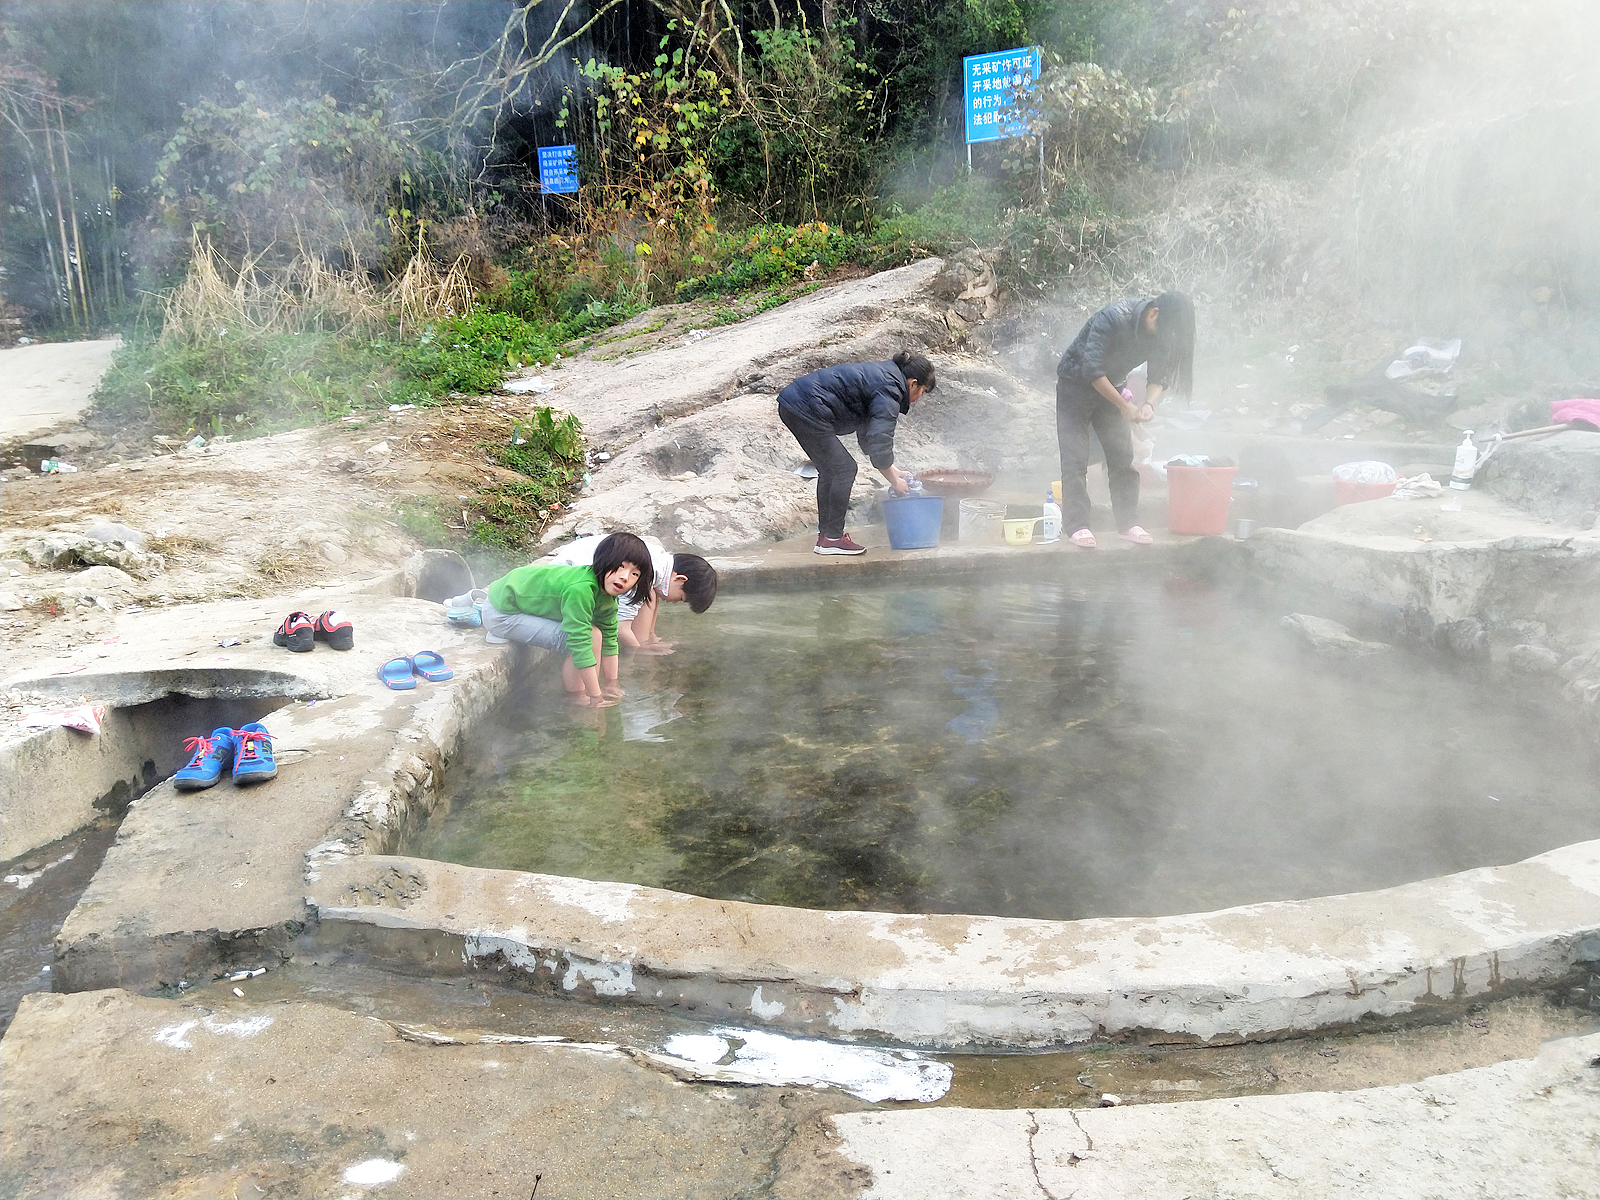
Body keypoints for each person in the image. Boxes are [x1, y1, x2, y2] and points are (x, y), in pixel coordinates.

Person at [1055, 291, 1195, 548]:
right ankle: (1077, 526)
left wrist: (1148, 405)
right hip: (1074, 386)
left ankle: (1128, 522)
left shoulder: (1159, 331)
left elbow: (1159, 375)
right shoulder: (1112, 318)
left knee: (1122, 458)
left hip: (1112, 388)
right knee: (1075, 460)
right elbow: (1092, 370)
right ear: (1154, 313)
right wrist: (1124, 405)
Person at [777, 351, 936, 556]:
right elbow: (880, 438)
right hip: (806, 407)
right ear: (913, 383)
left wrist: (894, 471)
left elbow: (868, 435)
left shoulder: (885, 377)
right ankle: (832, 539)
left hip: (795, 403)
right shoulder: (891, 388)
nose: (918, 398)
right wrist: (894, 482)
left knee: (831, 470)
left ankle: (826, 538)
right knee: (844, 469)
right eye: (922, 391)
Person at [481, 531, 652, 707]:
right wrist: (596, 696)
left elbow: (610, 639)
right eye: (621, 566)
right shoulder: (581, 589)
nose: (625, 576)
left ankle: (587, 691)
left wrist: (612, 684)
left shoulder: (607, 596)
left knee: (598, 634)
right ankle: (576, 697)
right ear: (604, 559)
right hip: (500, 614)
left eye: (635, 574)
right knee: (588, 637)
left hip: (513, 603)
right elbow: (580, 644)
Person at [544, 532, 717, 653]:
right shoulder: (639, 572)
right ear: (680, 579)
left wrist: (651, 638)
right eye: (680, 599)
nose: (673, 602)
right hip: (561, 586)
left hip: (567, 576)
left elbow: (650, 596)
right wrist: (638, 652)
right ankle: (641, 644)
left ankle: (647, 639)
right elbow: (619, 628)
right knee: (646, 595)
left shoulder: (658, 562)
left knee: (650, 592)